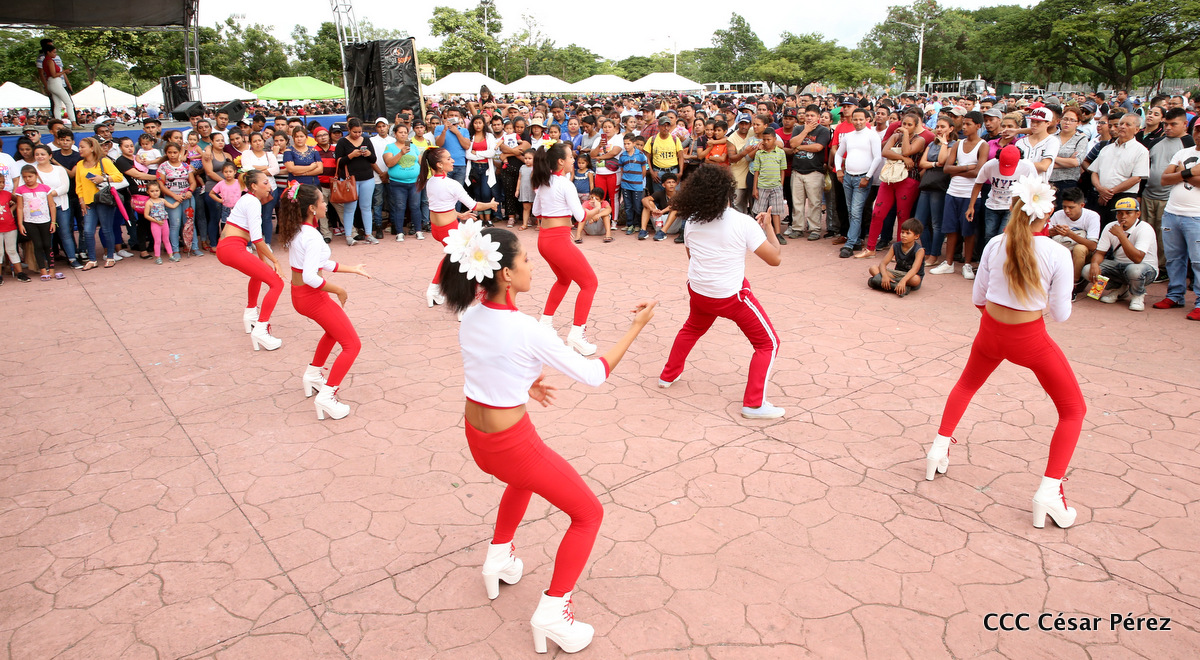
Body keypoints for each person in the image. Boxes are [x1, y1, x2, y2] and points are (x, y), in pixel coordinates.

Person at [440, 221, 654, 655]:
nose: (531, 265)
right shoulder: (528, 329)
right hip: (512, 444)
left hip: (478, 439)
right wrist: (637, 327)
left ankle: (499, 557)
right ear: (505, 273)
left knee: (522, 482)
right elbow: (593, 374)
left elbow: (491, 363)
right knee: (589, 513)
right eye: (525, 259)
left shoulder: (471, 314)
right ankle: (554, 611)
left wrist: (526, 383)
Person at [926, 175, 1084, 530]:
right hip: (1029, 339)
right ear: (1049, 213)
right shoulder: (1057, 253)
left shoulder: (997, 243)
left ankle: (938, 448)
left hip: (990, 332)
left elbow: (978, 297)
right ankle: (1049, 491)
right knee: (1074, 410)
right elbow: (1061, 315)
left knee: (966, 385)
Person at [657, 164, 785, 419]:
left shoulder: (692, 221)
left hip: (699, 291)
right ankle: (753, 405)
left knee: (691, 328)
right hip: (729, 297)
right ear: (729, 192)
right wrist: (769, 227)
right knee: (768, 343)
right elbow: (775, 259)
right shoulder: (743, 222)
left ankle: (668, 376)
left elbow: (692, 256)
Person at [277, 182, 371, 420]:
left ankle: (313, 375)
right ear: (311, 208)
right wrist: (339, 289)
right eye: (322, 201)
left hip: (302, 295)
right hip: (311, 296)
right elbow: (310, 276)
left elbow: (319, 264)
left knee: (333, 332)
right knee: (352, 345)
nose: (326, 205)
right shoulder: (311, 236)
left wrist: (352, 269)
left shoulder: (301, 230)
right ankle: (327, 397)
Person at [533, 143, 600, 354]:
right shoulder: (565, 184)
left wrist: (562, 226)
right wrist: (597, 210)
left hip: (545, 240)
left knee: (564, 280)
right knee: (590, 283)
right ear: (561, 161)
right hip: (557, 241)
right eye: (571, 157)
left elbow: (536, 211)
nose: (574, 160)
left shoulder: (543, 183)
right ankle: (577, 335)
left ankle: (545, 324)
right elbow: (580, 216)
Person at [416, 146, 499, 310]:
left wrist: (459, 215)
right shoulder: (451, 184)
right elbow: (474, 205)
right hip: (449, 230)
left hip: (438, 229)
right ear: (439, 164)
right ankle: (461, 301)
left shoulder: (431, 182)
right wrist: (491, 204)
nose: (453, 161)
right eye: (448, 158)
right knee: (466, 262)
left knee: (453, 259)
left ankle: (435, 290)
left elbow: (441, 206)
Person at [215, 170, 286, 350]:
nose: (269, 186)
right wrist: (275, 261)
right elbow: (257, 239)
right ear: (253, 186)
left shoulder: (248, 199)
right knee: (277, 283)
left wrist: (263, 260)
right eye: (265, 183)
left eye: (269, 182)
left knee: (259, 273)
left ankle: (251, 315)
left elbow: (255, 238)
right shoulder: (252, 202)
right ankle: (261, 329)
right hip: (231, 248)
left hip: (228, 247)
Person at [858, 112, 927, 257]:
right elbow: (885, 152)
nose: (906, 127)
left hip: (908, 179)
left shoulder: (920, 140)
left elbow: (908, 151)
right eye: (904, 124)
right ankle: (870, 248)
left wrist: (905, 136)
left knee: (903, 215)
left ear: (916, 126)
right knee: (877, 213)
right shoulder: (895, 136)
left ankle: (901, 252)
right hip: (889, 177)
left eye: (909, 125)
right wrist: (903, 158)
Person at [931, 112, 987, 277]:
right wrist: (967, 167)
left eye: (968, 124)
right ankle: (948, 263)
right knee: (951, 229)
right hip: (953, 192)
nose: (964, 127)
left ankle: (967, 264)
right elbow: (947, 169)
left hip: (971, 194)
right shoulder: (958, 144)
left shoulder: (983, 145)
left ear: (978, 126)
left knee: (968, 231)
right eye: (964, 124)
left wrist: (957, 170)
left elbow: (978, 172)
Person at [1155, 120, 1200, 320]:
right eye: (1197, 130)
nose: (1199, 134)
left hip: (1196, 216)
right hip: (1172, 212)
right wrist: (1191, 172)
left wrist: (1180, 173)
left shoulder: (1182, 158)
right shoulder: (1182, 152)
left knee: (1198, 261)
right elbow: (1164, 179)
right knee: (1174, 258)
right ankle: (1175, 295)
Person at [1082, 197, 1158, 311]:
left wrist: (1121, 235)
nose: (1123, 216)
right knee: (1087, 270)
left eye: (1128, 213)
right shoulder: (1110, 226)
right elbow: (1100, 252)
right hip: (1119, 267)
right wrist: (1094, 264)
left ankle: (1138, 295)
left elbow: (1137, 259)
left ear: (1138, 214)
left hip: (1145, 268)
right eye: (1120, 213)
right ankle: (1118, 290)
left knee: (1134, 270)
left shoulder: (1145, 228)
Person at [967, 145, 1039, 247]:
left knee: (1003, 235)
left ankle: (1000, 256)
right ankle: (990, 255)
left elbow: (1034, 187)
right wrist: (971, 206)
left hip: (1012, 207)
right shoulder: (990, 165)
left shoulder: (1028, 166)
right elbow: (978, 183)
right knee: (989, 235)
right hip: (992, 205)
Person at [834, 108, 881, 258]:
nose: (858, 122)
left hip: (862, 178)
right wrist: (839, 170)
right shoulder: (848, 136)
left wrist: (867, 176)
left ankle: (850, 243)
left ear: (867, 120)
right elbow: (839, 153)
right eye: (855, 119)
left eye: (861, 119)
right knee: (851, 211)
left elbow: (877, 157)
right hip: (848, 177)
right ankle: (855, 240)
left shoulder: (872, 136)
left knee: (856, 211)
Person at [75, 137, 125, 270]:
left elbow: (118, 176)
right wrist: (81, 201)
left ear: (92, 148)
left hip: (104, 200)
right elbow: (79, 185)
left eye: (82, 147)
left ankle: (110, 257)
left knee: (107, 229)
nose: (79, 149)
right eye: (79, 147)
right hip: (88, 202)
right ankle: (92, 259)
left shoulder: (104, 161)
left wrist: (103, 178)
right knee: (88, 231)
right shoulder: (79, 164)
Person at [334, 118, 382, 245]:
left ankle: (369, 234)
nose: (357, 134)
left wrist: (368, 154)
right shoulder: (342, 142)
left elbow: (373, 159)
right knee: (350, 208)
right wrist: (351, 156)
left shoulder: (366, 140)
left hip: (367, 178)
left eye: (359, 132)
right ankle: (349, 235)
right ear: (349, 130)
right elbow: (339, 162)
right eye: (354, 132)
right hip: (349, 180)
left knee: (366, 207)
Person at [788, 104, 832, 241]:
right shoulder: (798, 129)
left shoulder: (823, 131)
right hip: (797, 170)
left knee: (814, 203)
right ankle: (797, 228)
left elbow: (818, 147)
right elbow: (792, 143)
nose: (809, 118)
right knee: (797, 203)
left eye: (812, 116)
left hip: (814, 171)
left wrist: (800, 147)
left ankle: (814, 229)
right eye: (807, 115)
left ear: (818, 117)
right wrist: (805, 131)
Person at [1046, 186, 1101, 284]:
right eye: (1064, 207)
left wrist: (1070, 234)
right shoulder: (1058, 214)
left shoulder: (1092, 216)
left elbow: (1093, 246)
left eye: (1071, 207)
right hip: (1062, 247)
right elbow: (1045, 233)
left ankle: (1074, 282)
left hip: (1083, 254)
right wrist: (1054, 231)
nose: (1067, 211)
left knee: (1079, 249)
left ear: (1082, 205)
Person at [15, 165, 56, 281]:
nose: (28, 179)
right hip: (30, 222)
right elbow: (19, 207)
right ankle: (42, 269)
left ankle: (52, 268)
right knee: (37, 245)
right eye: (25, 177)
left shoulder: (45, 188)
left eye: (30, 176)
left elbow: (52, 205)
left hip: (45, 221)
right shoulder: (20, 190)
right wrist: (20, 224)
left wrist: (53, 222)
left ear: (36, 175)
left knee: (47, 245)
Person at [868, 217, 924, 296]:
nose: (903, 235)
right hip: (896, 274)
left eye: (908, 233)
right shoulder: (895, 246)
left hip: (910, 276)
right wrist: (885, 276)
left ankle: (876, 281)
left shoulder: (919, 250)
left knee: (916, 280)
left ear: (916, 236)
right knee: (873, 268)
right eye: (902, 232)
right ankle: (898, 287)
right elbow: (883, 263)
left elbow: (914, 269)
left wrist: (903, 281)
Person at [383, 125, 420, 241]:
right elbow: (389, 163)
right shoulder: (390, 147)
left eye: (405, 132)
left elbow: (420, 161)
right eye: (400, 132)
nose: (403, 134)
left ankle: (418, 230)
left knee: (415, 206)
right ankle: (399, 232)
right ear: (395, 134)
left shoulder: (413, 147)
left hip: (414, 182)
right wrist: (401, 153)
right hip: (398, 183)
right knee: (399, 207)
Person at [618, 135, 649, 237]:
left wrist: (639, 179)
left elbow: (644, 170)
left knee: (637, 205)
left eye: (628, 143)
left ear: (634, 143)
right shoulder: (622, 156)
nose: (626, 146)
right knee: (628, 206)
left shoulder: (640, 155)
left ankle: (638, 224)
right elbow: (622, 170)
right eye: (625, 144)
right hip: (626, 184)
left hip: (637, 185)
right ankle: (630, 224)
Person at [143, 181, 177, 263]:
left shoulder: (162, 200)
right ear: (148, 192)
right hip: (155, 224)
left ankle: (171, 256)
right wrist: (156, 221)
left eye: (157, 191)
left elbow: (172, 206)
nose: (155, 193)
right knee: (157, 241)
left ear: (160, 191)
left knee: (166, 240)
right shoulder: (149, 202)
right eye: (152, 191)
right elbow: (146, 215)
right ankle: (158, 257)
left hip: (164, 222)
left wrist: (179, 200)